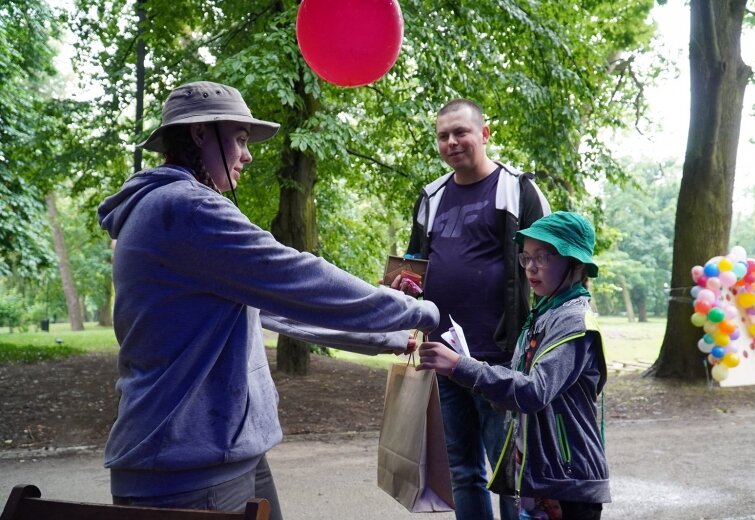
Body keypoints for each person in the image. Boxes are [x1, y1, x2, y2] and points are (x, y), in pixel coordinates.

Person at [96, 81, 439, 519]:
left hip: (217, 452)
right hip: (187, 467)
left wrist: (391, 338)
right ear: (200, 135)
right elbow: (299, 277)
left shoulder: (172, 211)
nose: (248, 153)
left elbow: (275, 307)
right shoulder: (187, 208)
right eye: (239, 138)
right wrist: (420, 311)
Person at [400, 98, 550, 520]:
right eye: (443, 135)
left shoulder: (517, 189)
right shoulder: (430, 197)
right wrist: (404, 285)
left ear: (484, 134)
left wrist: (541, 343)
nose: (451, 142)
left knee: (511, 475)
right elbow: (416, 265)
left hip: (502, 358)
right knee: (463, 472)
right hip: (443, 357)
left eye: (461, 132)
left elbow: (550, 265)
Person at [416, 211, 610, 520]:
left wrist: (461, 367)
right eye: (526, 258)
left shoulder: (574, 323)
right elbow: (517, 384)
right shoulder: (544, 314)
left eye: (543, 257)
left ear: (575, 263)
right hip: (541, 473)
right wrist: (463, 366)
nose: (531, 268)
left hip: (568, 480)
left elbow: (534, 392)